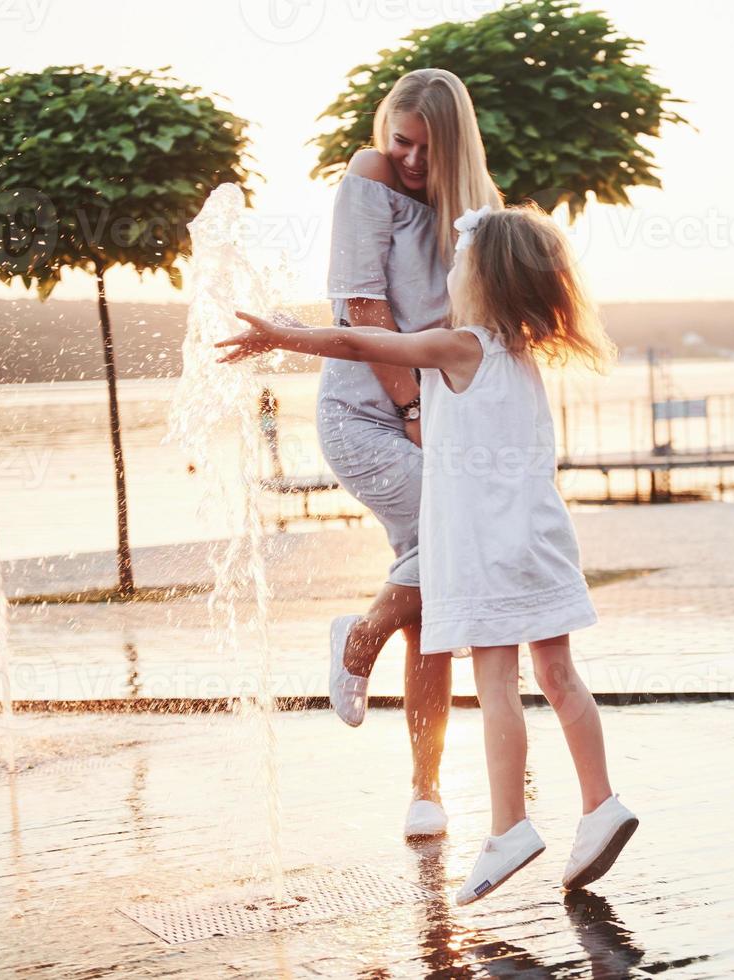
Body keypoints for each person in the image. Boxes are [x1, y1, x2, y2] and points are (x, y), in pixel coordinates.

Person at [218, 203, 638, 904]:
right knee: (560, 677)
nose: (448, 273)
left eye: (457, 263)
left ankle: (509, 828)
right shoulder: (523, 355)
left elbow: (362, 347)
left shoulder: (460, 346)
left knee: (497, 684)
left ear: (483, 279)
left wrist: (286, 335)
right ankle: (601, 805)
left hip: (486, 550)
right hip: (541, 540)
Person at [316, 68, 502, 841]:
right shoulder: (368, 179)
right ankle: (359, 638)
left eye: (427, 147)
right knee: (453, 545)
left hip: (440, 421)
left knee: (437, 595)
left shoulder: (480, 215)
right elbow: (362, 306)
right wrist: (413, 407)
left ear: (455, 144)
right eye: (400, 141)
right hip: (366, 414)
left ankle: (425, 790)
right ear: (382, 133)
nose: (411, 160)